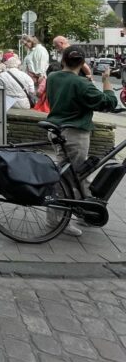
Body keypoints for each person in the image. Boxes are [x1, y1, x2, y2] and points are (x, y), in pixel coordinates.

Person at [46, 45, 118, 234]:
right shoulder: (81, 84)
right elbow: (108, 102)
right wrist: (105, 81)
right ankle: (57, 220)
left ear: (63, 60)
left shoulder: (53, 78)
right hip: (74, 134)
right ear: (83, 63)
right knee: (68, 178)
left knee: (78, 174)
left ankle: (84, 210)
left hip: (57, 130)